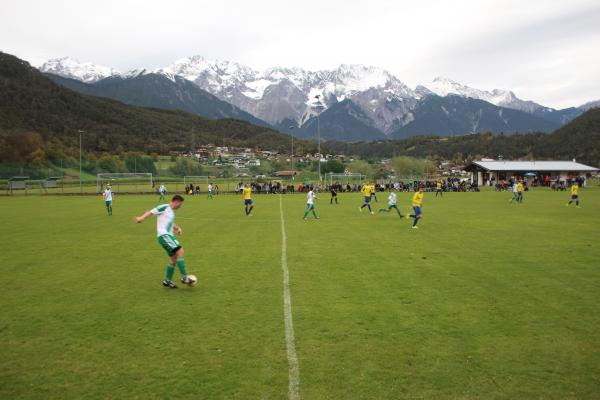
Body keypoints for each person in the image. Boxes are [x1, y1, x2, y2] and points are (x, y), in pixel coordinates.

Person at [133, 195, 194, 288]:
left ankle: (167, 281)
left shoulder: (171, 212)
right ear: (176, 202)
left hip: (168, 236)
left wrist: (177, 228)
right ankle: (185, 277)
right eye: (180, 204)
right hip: (164, 236)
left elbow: (170, 223)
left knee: (174, 258)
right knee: (180, 251)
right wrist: (141, 218)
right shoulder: (164, 207)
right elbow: (151, 211)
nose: (180, 207)